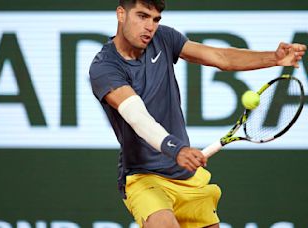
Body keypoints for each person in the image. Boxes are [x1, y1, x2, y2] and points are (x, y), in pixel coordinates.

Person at [88, 0, 306, 227]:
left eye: (155, 19)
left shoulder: (163, 38)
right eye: (142, 16)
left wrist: (275, 58)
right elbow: (136, 116)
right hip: (144, 177)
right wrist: (176, 148)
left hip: (187, 176)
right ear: (121, 14)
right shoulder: (104, 68)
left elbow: (221, 57)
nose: (150, 27)